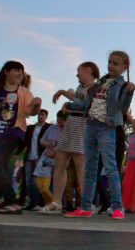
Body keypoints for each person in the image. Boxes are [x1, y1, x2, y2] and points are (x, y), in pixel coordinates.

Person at [64, 51, 135, 220]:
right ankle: (86, 206)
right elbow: (86, 104)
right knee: (90, 167)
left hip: (106, 126)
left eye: (116, 63)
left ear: (125, 67)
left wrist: (129, 92)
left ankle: (118, 206)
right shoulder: (99, 83)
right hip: (90, 124)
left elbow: (122, 108)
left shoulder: (122, 86)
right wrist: (71, 105)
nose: (111, 66)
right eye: (110, 62)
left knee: (110, 167)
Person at [0, 61, 42, 214]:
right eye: (16, 70)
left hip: (11, 133)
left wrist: (36, 105)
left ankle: (12, 202)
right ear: (6, 72)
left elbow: (30, 112)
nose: (20, 73)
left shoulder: (24, 92)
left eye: (21, 71)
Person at [40, 61, 99, 214]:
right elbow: (76, 97)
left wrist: (69, 105)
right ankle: (56, 202)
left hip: (82, 126)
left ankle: (87, 203)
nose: (77, 74)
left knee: (81, 166)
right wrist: (62, 92)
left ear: (88, 70)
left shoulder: (95, 88)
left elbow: (86, 105)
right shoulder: (81, 87)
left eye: (79, 71)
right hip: (70, 124)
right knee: (60, 162)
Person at [33, 112, 66, 209]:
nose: (59, 124)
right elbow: (42, 141)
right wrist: (48, 144)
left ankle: (56, 203)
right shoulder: (52, 128)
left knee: (56, 182)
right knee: (41, 184)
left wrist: (56, 151)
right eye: (58, 121)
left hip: (61, 159)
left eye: (62, 122)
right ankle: (49, 203)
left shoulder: (69, 131)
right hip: (46, 157)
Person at [22, 108, 51, 210]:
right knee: (28, 180)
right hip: (30, 156)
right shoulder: (30, 128)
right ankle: (30, 201)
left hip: (41, 157)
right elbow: (25, 142)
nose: (40, 116)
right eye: (39, 114)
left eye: (42, 115)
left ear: (46, 116)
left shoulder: (49, 127)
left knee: (37, 182)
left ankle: (38, 203)